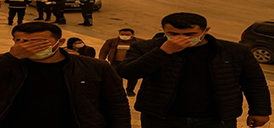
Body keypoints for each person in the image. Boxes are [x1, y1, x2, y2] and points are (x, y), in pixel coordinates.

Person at [0, 21, 131, 128]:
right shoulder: (1, 63)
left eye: (40, 42)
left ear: (59, 42)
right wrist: (12, 58)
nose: (30, 47)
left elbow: (116, 104)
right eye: (22, 42)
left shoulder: (94, 67)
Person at [116, 12, 271, 128]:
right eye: (173, 34)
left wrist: (260, 110)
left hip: (216, 119)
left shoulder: (234, 51)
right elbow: (127, 72)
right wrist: (163, 52)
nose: (181, 38)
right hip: (162, 118)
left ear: (205, 31)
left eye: (189, 34)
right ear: (163, 30)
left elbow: (254, 82)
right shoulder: (146, 47)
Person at [99, 28, 142, 97]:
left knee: (133, 77)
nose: (124, 36)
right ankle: (119, 90)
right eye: (122, 34)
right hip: (116, 62)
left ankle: (130, 90)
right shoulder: (111, 41)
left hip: (132, 62)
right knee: (116, 77)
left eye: (127, 35)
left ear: (133, 35)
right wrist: (101, 60)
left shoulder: (140, 41)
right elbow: (104, 51)